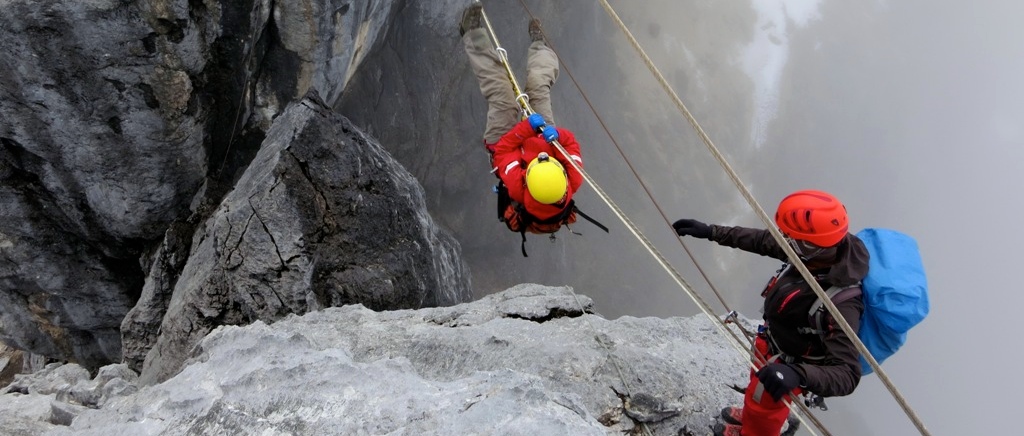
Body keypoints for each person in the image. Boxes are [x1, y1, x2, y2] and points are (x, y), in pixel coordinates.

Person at [672, 190, 869, 436]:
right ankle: (750, 418)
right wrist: (712, 232)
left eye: (792, 238)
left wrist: (797, 374)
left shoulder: (843, 303)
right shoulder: (816, 252)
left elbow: (847, 374)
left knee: (765, 404)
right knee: (756, 391)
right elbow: (762, 240)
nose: (786, 241)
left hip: (790, 364)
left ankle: (754, 431)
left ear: (811, 245)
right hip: (774, 344)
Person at [460, 3, 584, 224]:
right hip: (542, 137)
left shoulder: (517, 186)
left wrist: (527, 128)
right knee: (538, 85)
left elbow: (503, 152)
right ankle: (539, 45)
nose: (544, 158)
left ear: (528, 178)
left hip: (504, 144)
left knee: (501, 93)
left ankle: (472, 33)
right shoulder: (573, 178)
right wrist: (558, 135)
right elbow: (572, 144)